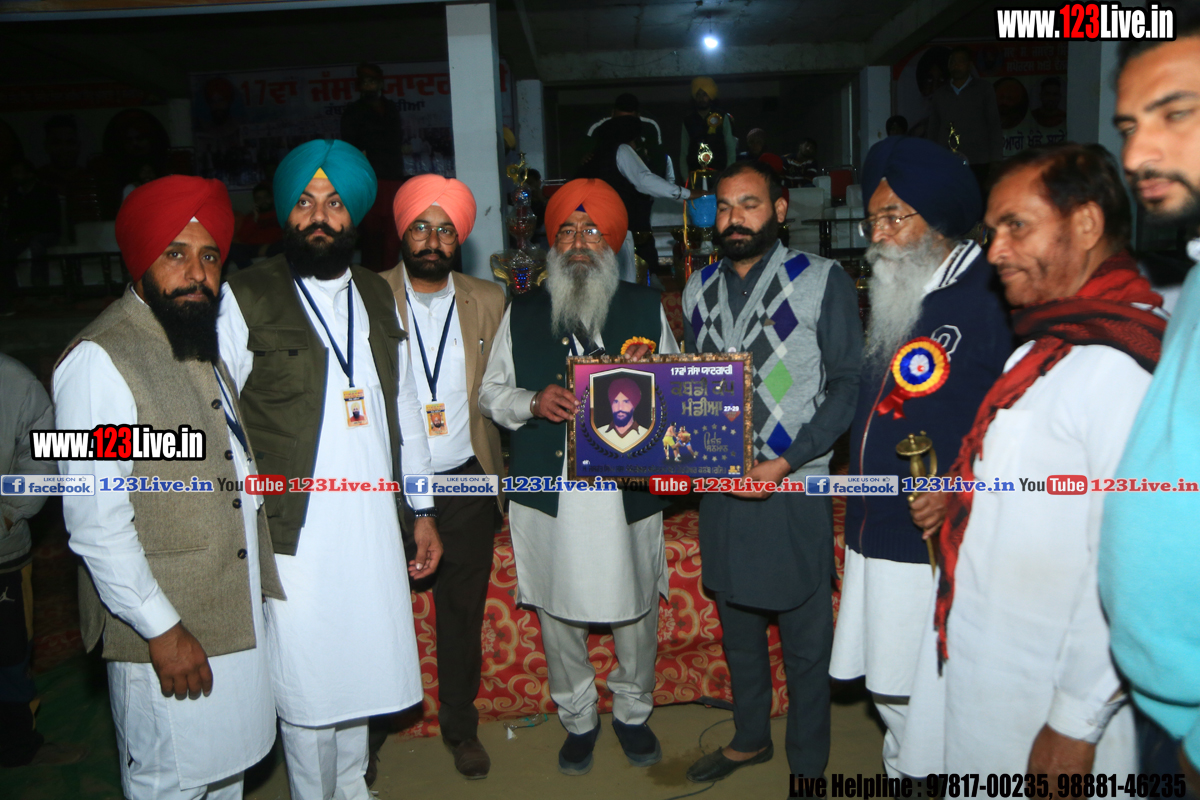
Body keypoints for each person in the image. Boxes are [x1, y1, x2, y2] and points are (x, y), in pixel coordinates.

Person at [898, 143, 1167, 779]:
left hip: (1055, 701)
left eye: (1016, 226)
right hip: (995, 673)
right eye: (992, 232)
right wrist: (963, 496)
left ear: (1087, 223)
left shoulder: (1123, 368)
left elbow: (1135, 566)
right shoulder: (1041, 349)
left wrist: (1075, 722)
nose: (995, 252)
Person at [218, 139, 442, 800]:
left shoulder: (376, 292)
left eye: (335, 203)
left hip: (371, 525)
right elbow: (217, 415)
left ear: (355, 217)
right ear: (286, 213)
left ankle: (352, 787)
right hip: (295, 532)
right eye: (305, 202)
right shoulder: (245, 295)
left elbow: (405, 407)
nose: (320, 216)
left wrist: (422, 509)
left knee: (360, 671)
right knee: (310, 681)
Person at [53, 176, 283, 798]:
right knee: (171, 783)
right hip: (170, 629)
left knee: (226, 778)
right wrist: (161, 628)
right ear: (141, 258)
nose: (196, 273)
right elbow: (97, 524)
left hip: (229, 616)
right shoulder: (101, 361)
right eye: (175, 253)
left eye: (209, 256)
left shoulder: (193, 335)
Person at [828, 135, 1012, 779]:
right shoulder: (900, 288)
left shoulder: (991, 296)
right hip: (876, 525)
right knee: (892, 686)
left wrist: (966, 487)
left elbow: (1018, 421)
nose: (877, 234)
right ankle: (907, 774)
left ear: (938, 218)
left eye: (893, 217)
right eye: (872, 220)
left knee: (926, 690)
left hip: (935, 535)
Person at [479, 178, 677, 776]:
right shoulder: (523, 311)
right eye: (566, 230)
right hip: (551, 488)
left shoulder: (645, 305)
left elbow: (684, 386)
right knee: (557, 611)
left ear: (612, 242)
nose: (579, 241)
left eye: (592, 230)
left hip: (627, 489)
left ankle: (634, 712)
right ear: (552, 245)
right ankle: (579, 717)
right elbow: (490, 393)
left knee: (635, 607)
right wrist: (532, 402)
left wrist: (657, 372)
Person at [682, 160, 862, 782]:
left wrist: (784, 463)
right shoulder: (697, 287)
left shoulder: (821, 279)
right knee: (738, 628)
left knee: (806, 640)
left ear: (780, 211)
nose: (734, 219)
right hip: (723, 487)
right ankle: (749, 738)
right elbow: (689, 387)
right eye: (725, 207)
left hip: (792, 483)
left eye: (750, 204)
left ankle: (808, 765)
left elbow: (847, 385)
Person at [378, 175, 506, 780]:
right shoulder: (365, 294)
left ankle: (460, 727)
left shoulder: (489, 299)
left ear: (460, 240)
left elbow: (502, 386)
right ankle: (368, 732)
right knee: (377, 608)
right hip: (386, 485)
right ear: (402, 232)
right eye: (421, 228)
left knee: (462, 612)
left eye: (446, 231)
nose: (433, 240)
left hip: (467, 479)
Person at [1102, 18, 1200, 790]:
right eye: (1130, 126)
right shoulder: (1193, 279)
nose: (1137, 155)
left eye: (1177, 113)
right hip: (1163, 705)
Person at [0, 354, 85, 768]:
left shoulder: (15, 383)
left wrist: (9, 511)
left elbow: (40, 456)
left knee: (10, 655)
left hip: (3, 555)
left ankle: (17, 745)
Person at [577, 114, 701, 278]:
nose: (635, 146)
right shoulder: (621, 150)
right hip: (616, 228)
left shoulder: (595, 156)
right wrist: (687, 193)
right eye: (634, 140)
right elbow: (644, 180)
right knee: (626, 279)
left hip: (592, 230)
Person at [923, 45, 1004, 189]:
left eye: (960, 61)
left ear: (969, 65)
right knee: (951, 198)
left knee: (978, 197)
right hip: (947, 159)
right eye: (953, 62)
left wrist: (996, 159)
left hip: (978, 160)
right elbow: (933, 128)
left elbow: (994, 124)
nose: (956, 65)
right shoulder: (940, 94)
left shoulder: (983, 89)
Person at [586, 93, 671, 181]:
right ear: (612, 114)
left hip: (640, 177)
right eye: (620, 120)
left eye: (630, 121)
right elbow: (584, 157)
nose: (624, 124)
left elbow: (658, 160)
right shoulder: (598, 126)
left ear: (638, 116)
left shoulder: (650, 125)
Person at [681, 76, 736, 178]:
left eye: (704, 95)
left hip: (719, 174)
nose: (701, 98)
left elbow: (730, 147)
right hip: (695, 174)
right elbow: (684, 151)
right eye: (698, 95)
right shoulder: (688, 121)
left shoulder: (722, 117)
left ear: (710, 96)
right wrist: (685, 178)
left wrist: (728, 174)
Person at [228, 183, 283, 270]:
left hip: (275, 245)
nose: (263, 201)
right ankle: (251, 275)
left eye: (266, 197)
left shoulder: (279, 214)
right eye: (259, 199)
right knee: (233, 248)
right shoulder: (251, 217)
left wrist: (267, 246)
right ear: (255, 202)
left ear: (271, 198)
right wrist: (254, 219)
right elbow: (242, 237)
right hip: (254, 248)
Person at [595, 377, 648, 451]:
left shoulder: (646, 435)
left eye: (626, 402)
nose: (620, 408)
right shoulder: (598, 434)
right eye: (615, 402)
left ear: (634, 405)